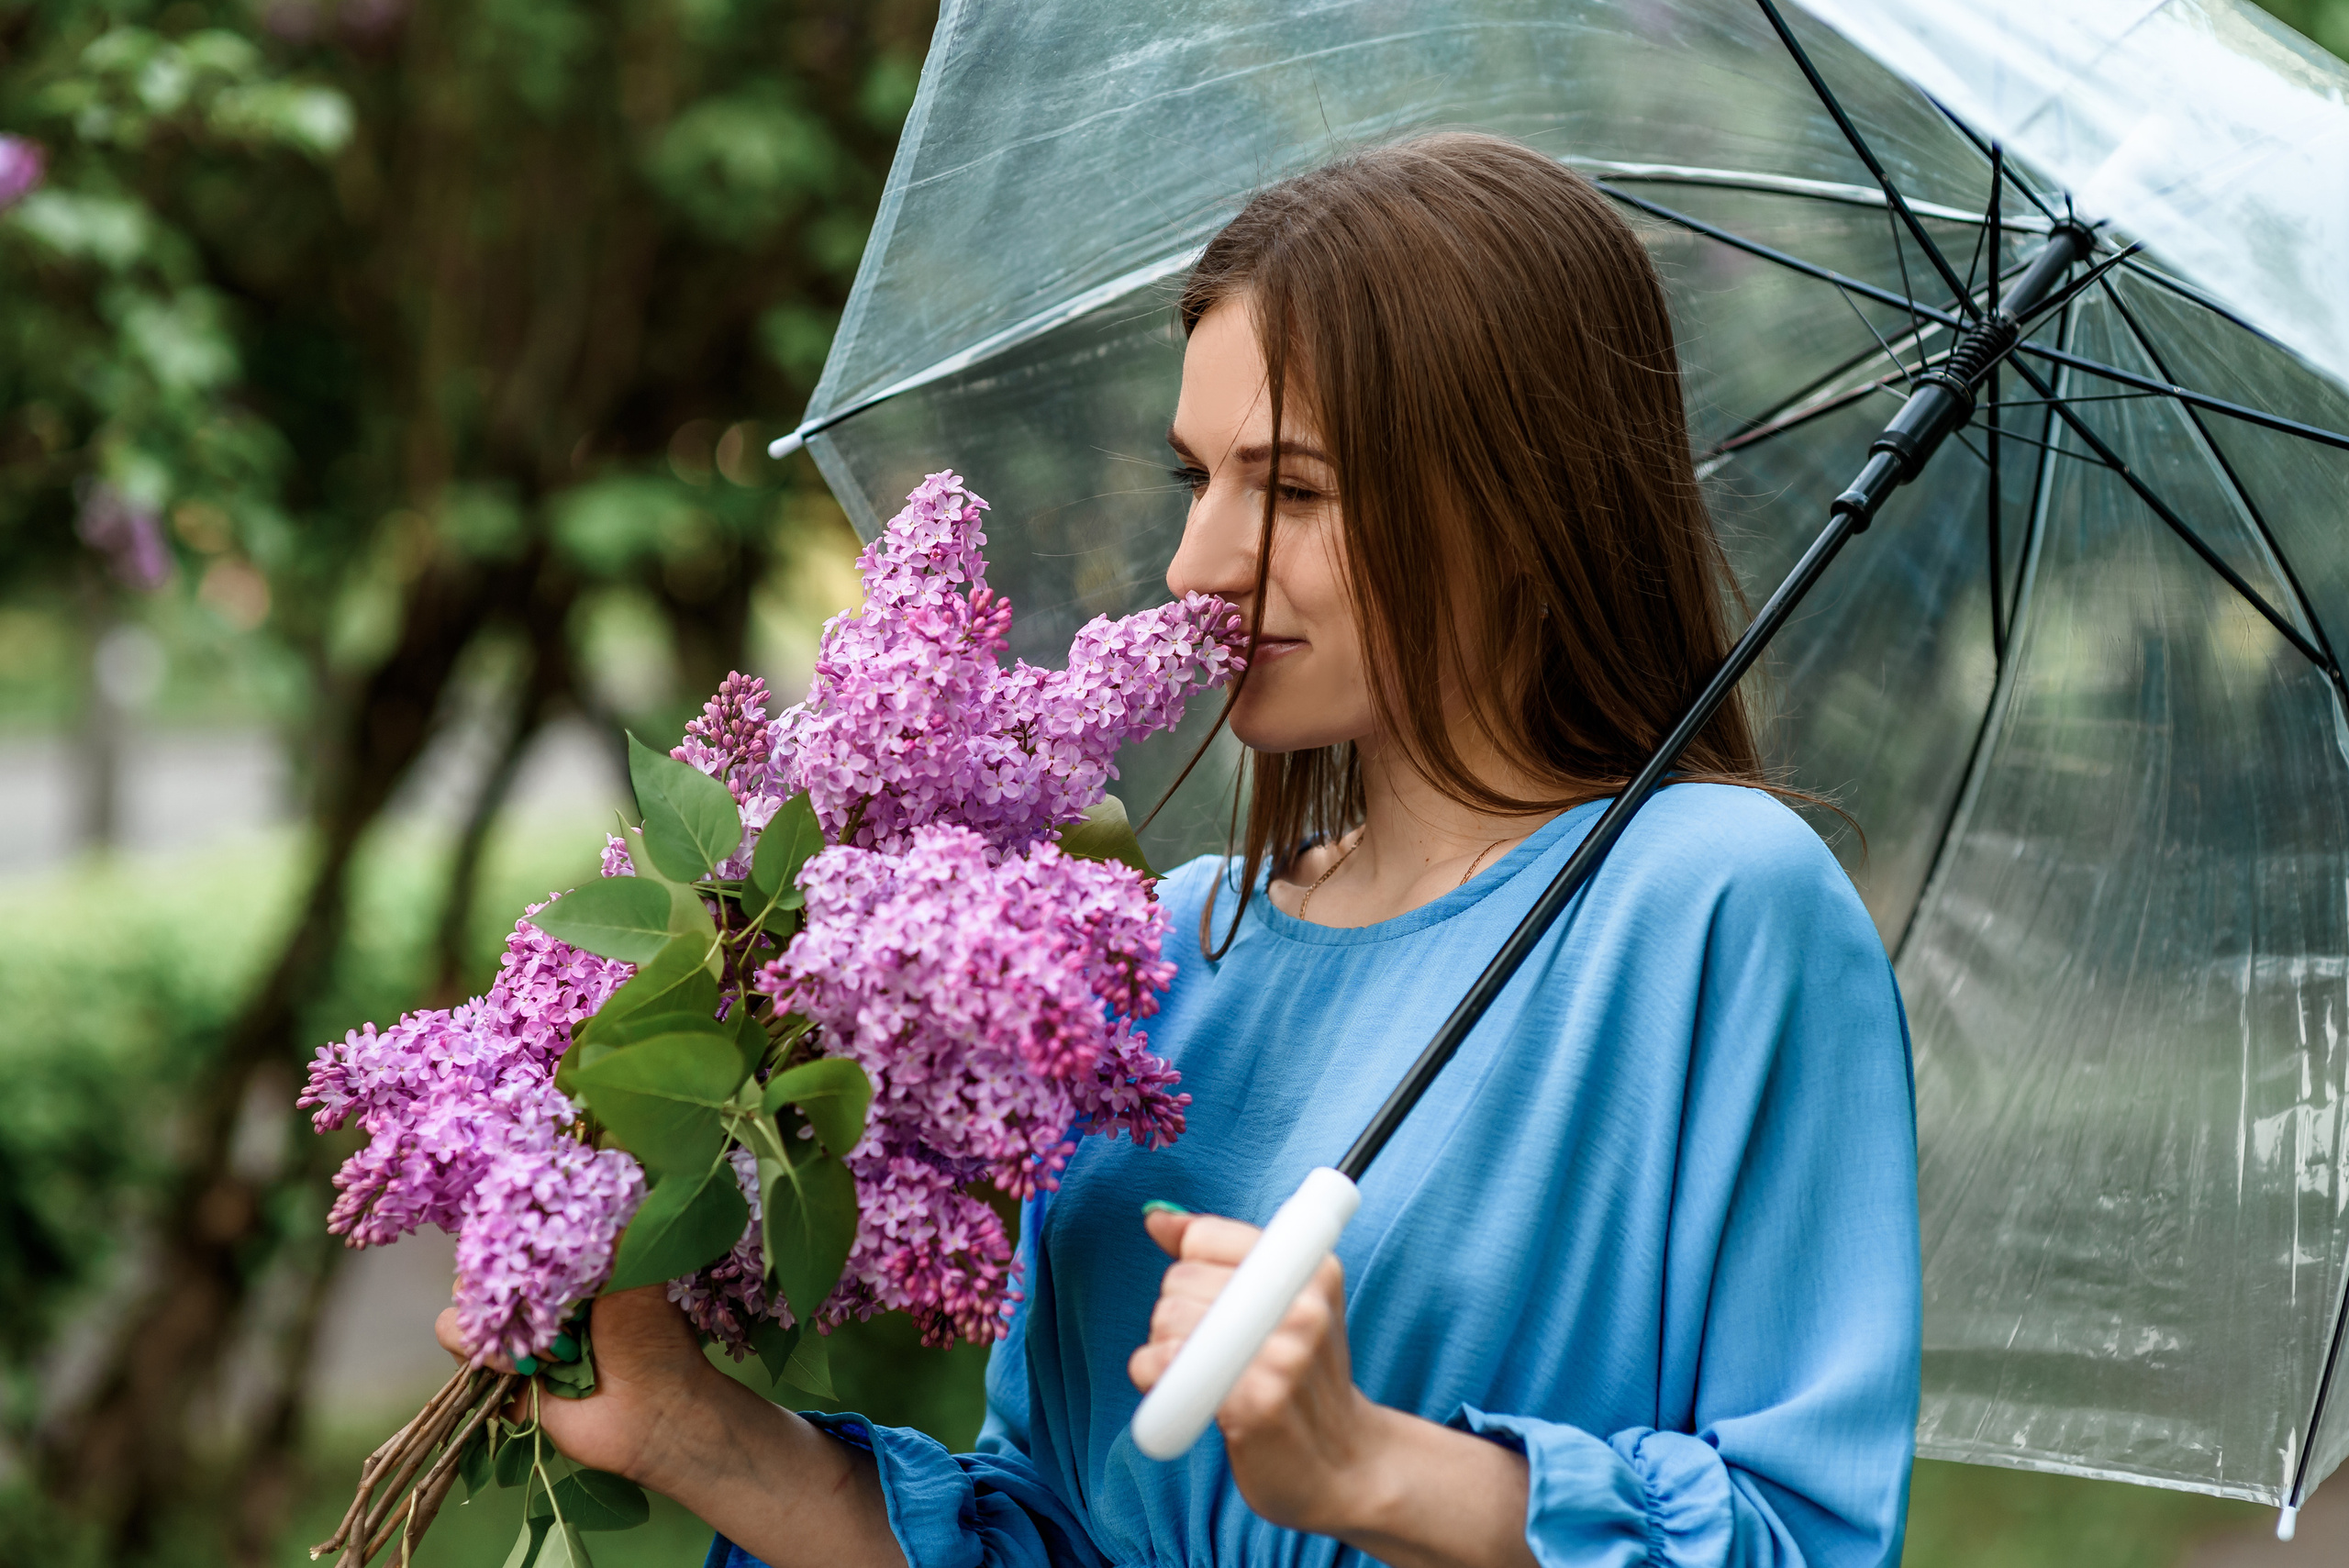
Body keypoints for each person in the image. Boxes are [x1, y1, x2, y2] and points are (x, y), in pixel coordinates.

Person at [438, 132, 1920, 1568]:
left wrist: (1371, 1466)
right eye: (1193, 479)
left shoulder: (1716, 907)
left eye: (1293, 489)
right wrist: (684, 1423)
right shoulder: (1170, 949)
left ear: (1518, 506)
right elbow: (1049, 1532)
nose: (1197, 564)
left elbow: (1804, 1535)